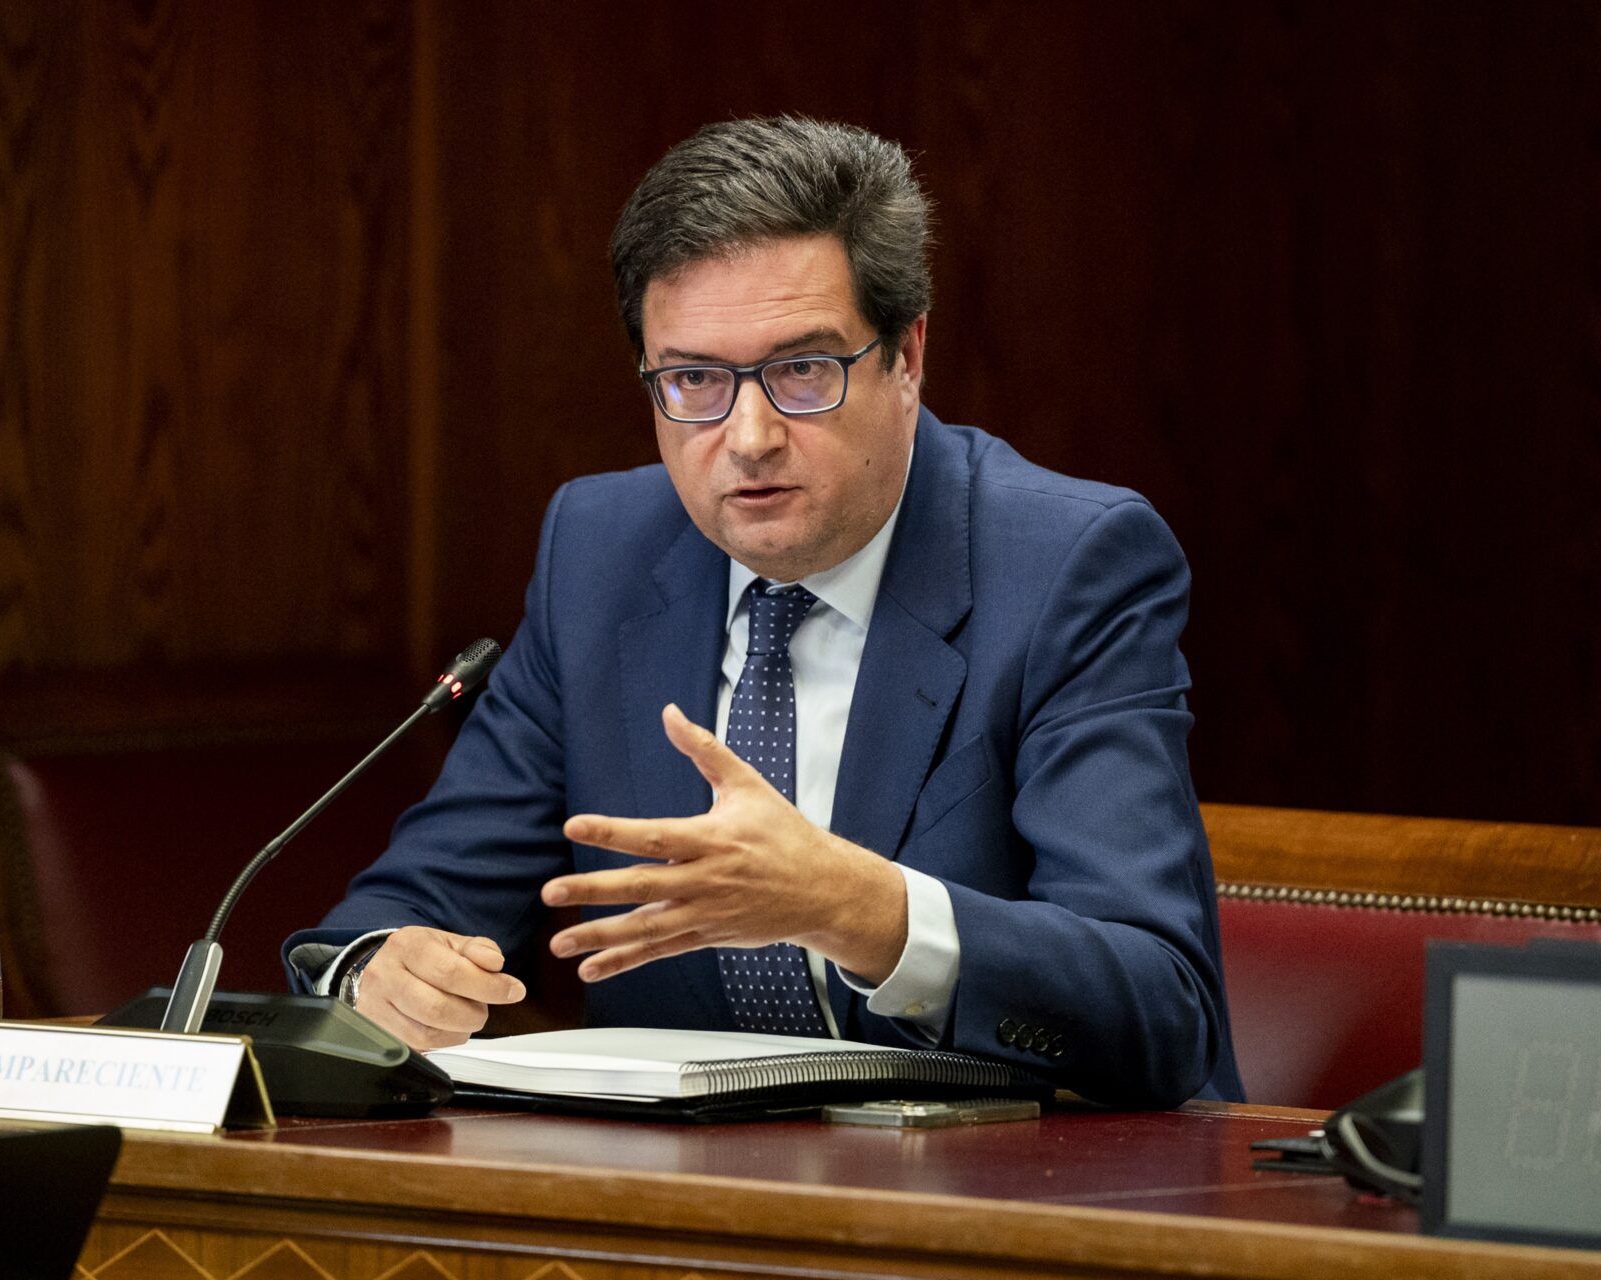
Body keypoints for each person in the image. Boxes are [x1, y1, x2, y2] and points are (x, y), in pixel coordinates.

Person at [285, 116, 1243, 1108]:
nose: (748, 436)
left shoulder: (1065, 566)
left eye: (801, 371)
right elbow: (417, 899)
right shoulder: (601, 554)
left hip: (1019, 1178)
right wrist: (377, 973)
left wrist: (863, 911)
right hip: (682, 1189)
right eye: (696, 379)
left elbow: (1159, 1004)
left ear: (907, 355)